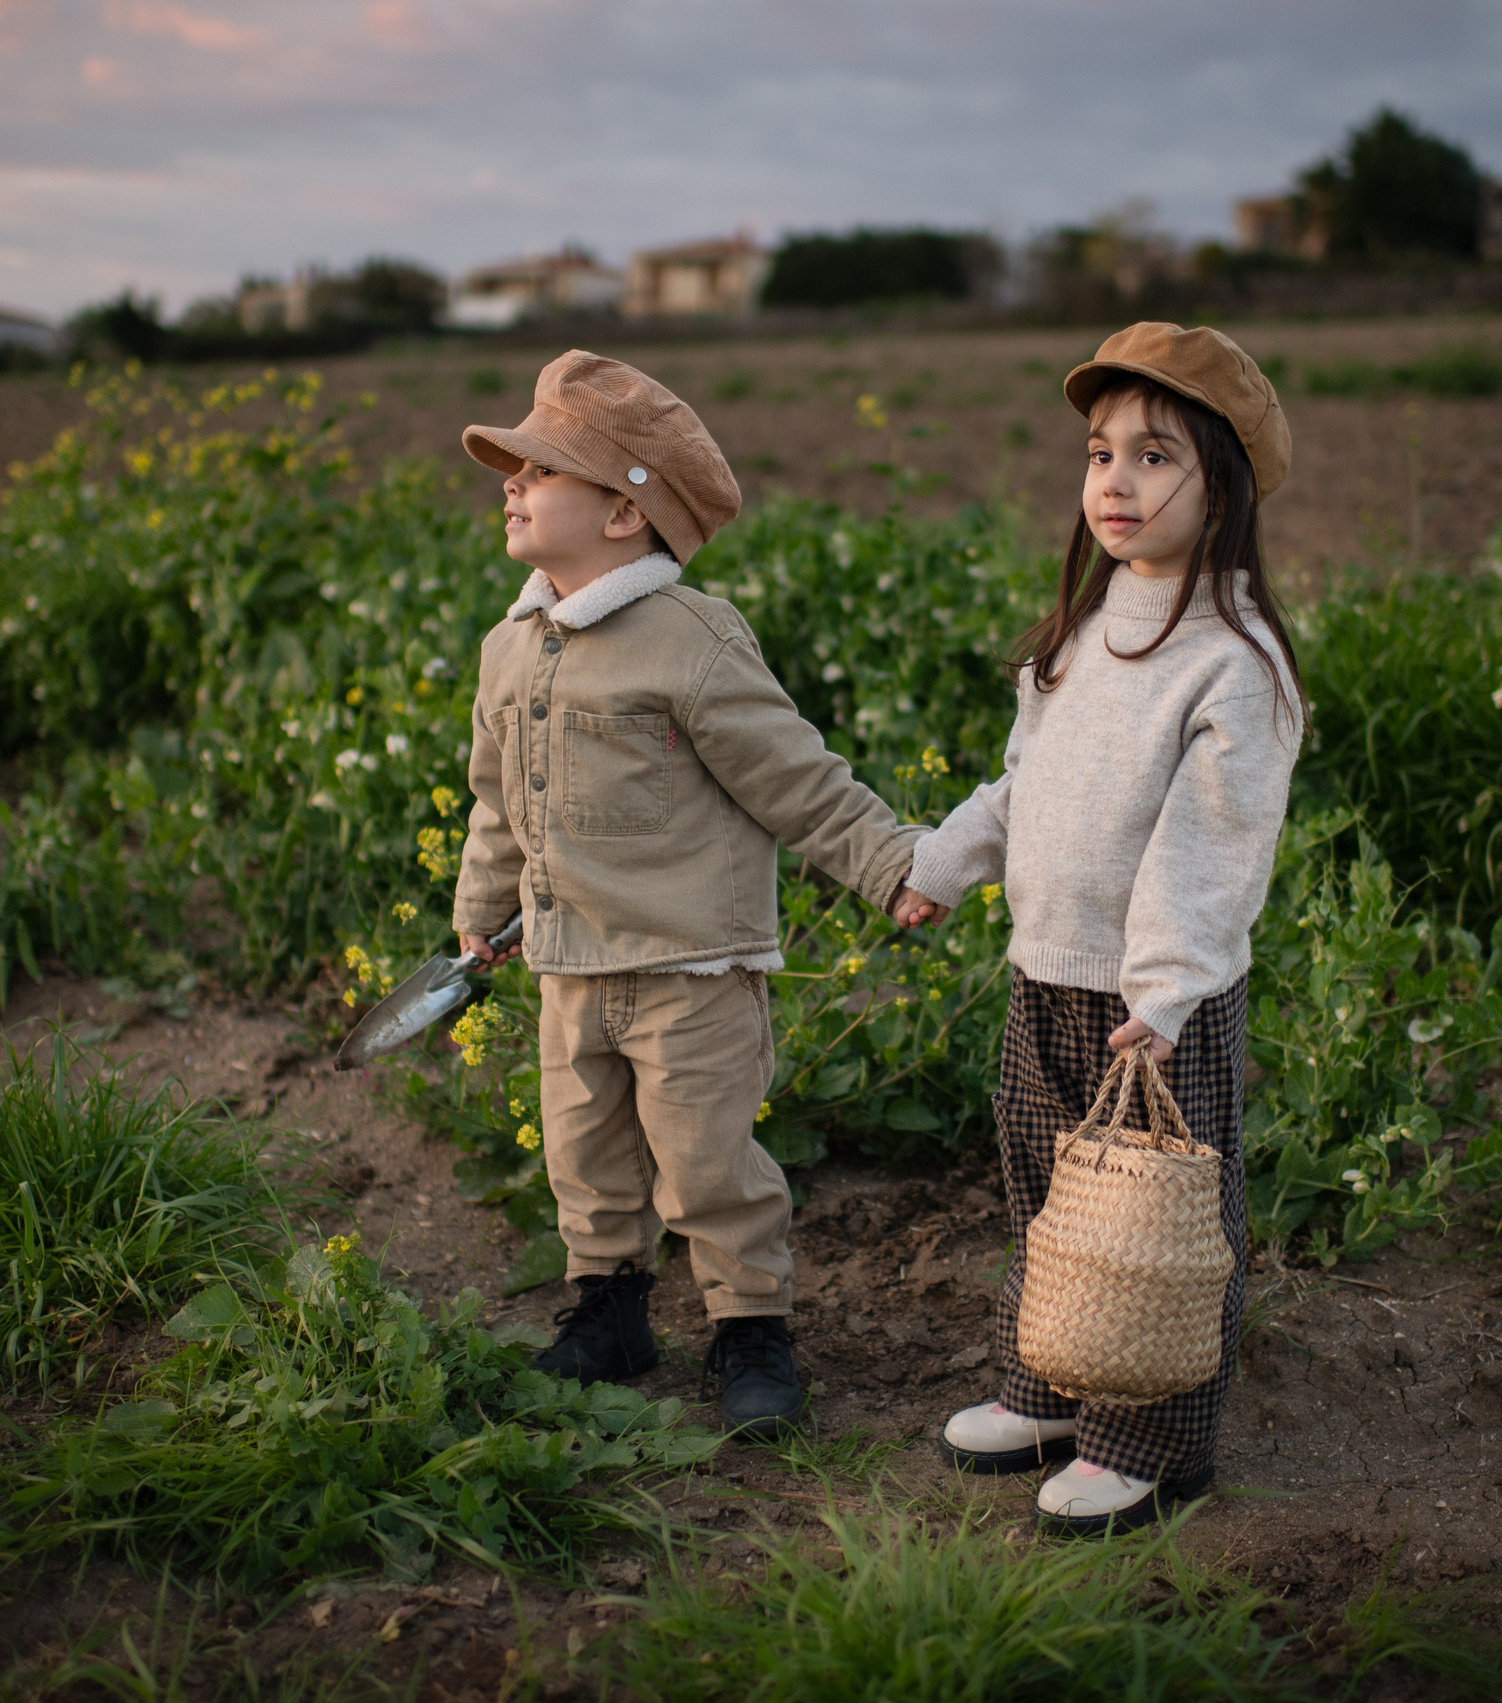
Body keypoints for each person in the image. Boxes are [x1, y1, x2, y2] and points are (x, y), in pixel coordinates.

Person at [450, 350, 927, 1439]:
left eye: (541, 470)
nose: (510, 484)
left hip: (690, 970)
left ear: (625, 514)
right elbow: (493, 799)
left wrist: (886, 862)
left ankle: (749, 1326)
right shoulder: (508, 648)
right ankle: (609, 1310)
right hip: (571, 962)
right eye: (511, 468)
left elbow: (792, 773)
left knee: (710, 1161)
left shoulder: (690, 639)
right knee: (585, 1153)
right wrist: (481, 912)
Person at [896, 323, 1304, 1535]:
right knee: (1050, 1194)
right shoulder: (1082, 631)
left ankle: (1153, 1437)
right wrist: (942, 865)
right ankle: (1056, 1381)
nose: (1115, 482)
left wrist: (1167, 992)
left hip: (1154, 1006)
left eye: (1154, 456)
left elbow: (1210, 843)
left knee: (1157, 1219)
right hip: (1046, 976)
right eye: (1098, 452)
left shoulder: (1232, 659)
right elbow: (1024, 786)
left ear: (1222, 487)